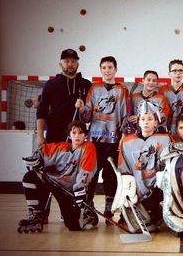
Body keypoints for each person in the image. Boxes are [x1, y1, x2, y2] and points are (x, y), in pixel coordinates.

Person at [18, 121, 98, 233]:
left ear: (85, 135)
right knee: (30, 176)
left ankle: (88, 212)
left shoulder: (88, 148)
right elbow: (43, 152)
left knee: (73, 226)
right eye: (74, 132)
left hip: (70, 192)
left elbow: (86, 171)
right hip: (55, 184)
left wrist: (80, 189)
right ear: (69, 135)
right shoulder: (61, 147)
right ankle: (35, 213)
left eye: (80, 133)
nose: (77, 136)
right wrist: (36, 158)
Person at [75, 56, 129, 221]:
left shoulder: (122, 90)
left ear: (115, 69)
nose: (107, 70)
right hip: (95, 139)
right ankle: (88, 205)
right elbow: (87, 116)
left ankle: (109, 206)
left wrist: (124, 135)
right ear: (100, 70)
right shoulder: (94, 89)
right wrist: (83, 108)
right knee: (91, 173)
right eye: (104, 67)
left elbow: (126, 115)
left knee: (110, 175)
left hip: (113, 139)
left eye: (110, 67)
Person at [117, 101, 173, 229]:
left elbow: (170, 167)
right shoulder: (127, 141)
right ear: (138, 121)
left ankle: (158, 213)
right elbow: (123, 168)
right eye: (143, 119)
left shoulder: (165, 139)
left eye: (150, 119)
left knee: (153, 218)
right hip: (136, 188)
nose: (146, 122)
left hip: (158, 189)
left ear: (156, 122)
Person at [36, 48, 91, 147]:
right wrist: (40, 136)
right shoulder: (51, 85)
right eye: (66, 61)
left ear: (77, 64)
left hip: (78, 138)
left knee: (77, 163)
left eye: (73, 61)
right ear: (60, 64)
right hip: (54, 136)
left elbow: (91, 111)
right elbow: (42, 110)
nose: (70, 64)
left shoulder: (86, 84)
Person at [159, 59, 183, 135]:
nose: (178, 73)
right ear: (169, 73)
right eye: (174, 71)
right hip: (166, 130)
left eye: (180, 71)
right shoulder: (162, 90)